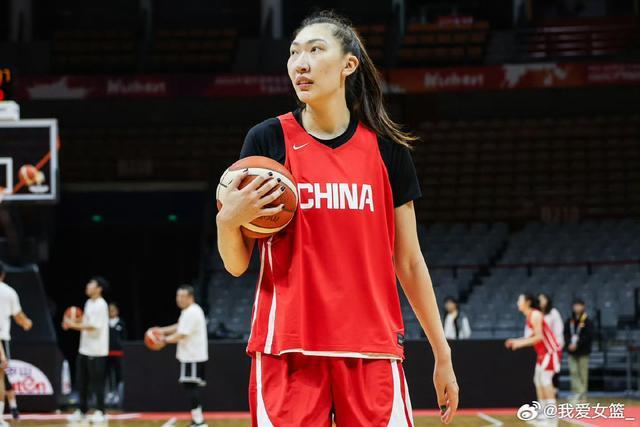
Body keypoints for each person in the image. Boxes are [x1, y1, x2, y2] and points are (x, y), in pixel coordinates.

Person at [216, 11, 458, 426]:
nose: (300, 63)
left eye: (315, 50)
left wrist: (442, 352)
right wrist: (227, 222)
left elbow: (409, 261)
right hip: (287, 350)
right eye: (294, 53)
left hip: (372, 350)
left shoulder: (387, 150)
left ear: (349, 64)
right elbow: (237, 264)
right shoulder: (267, 141)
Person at [156, 285, 208, 427]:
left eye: (182, 296)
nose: (179, 299)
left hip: (193, 356)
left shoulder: (192, 311)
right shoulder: (189, 311)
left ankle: (199, 421)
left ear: (190, 297)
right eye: (178, 296)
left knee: (191, 386)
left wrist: (163, 340)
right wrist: (161, 331)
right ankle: (197, 420)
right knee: (190, 386)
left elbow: (182, 334)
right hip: (191, 356)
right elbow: (179, 326)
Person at [506, 294, 561, 425]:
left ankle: (551, 414)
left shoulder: (535, 314)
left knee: (545, 380)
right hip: (542, 353)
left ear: (528, 302)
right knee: (538, 380)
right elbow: (531, 337)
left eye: (520, 300)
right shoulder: (529, 316)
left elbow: (539, 337)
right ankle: (542, 412)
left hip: (550, 351)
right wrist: (517, 341)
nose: (518, 302)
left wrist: (519, 343)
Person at [63, 277, 110, 424]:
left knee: (97, 383)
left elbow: (92, 326)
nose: (88, 286)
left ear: (99, 289)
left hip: (98, 350)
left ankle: (101, 411)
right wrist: (73, 321)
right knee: (82, 382)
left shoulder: (101, 305)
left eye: (91, 284)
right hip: (84, 348)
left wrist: (72, 325)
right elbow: (86, 321)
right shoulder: (89, 303)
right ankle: (82, 410)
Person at [0, 263, 33, 421]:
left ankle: (13, 409)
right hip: (1, 336)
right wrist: (27, 323)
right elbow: (19, 316)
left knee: (3, 377)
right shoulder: (9, 292)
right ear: (3, 274)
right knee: (1, 376)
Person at [563, 298, 592, 403]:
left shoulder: (587, 320)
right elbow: (565, 334)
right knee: (573, 372)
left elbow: (588, 336)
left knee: (583, 374)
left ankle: (582, 398)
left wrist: (577, 345)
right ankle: (577, 394)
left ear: (583, 306)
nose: (577, 307)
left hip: (583, 351)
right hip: (571, 351)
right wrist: (569, 344)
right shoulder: (569, 320)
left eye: (579, 305)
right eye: (575, 305)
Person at [106, 302, 126, 406]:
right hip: (107, 352)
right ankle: (110, 393)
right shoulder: (105, 323)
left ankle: (119, 393)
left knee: (119, 373)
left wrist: (122, 347)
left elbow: (124, 337)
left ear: (117, 311)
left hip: (119, 353)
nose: (111, 312)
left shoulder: (121, 323)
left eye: (113, 310)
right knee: (109, 373)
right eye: (109, 310)